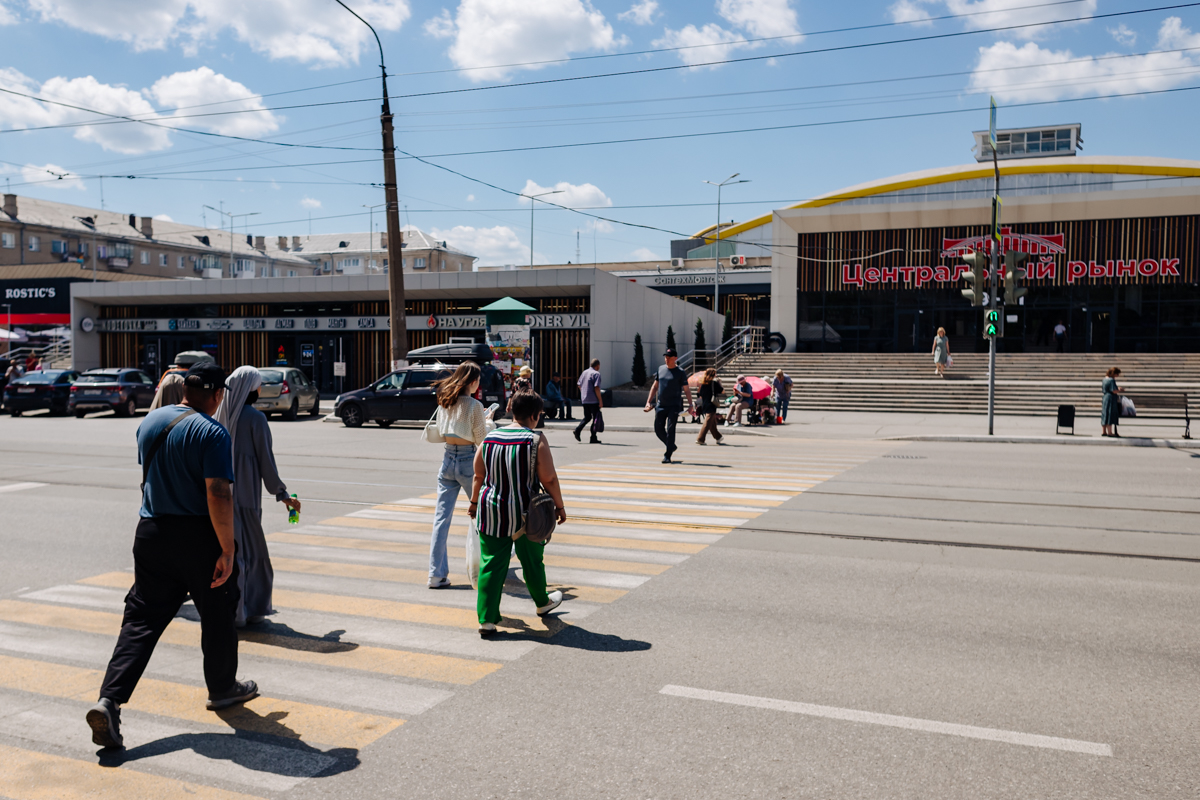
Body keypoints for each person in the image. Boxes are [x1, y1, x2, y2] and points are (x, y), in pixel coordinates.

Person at [85, 363, 256, 750]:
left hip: (151, 532)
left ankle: (109, 701)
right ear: (216, 395)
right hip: (198, 536)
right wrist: (227, 549)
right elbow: (218, 494)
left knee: (142, 619)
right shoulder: (212, 432)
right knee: (217, 611)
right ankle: (223, 688)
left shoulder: (150, 422)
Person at [467, 390, 568, 637]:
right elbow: (549, 478)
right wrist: (560, 506)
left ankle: (487, 620)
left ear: (512, 410)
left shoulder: (490, 438)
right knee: (531, 560)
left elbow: (478, 474)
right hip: (527, 514)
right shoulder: (535, 439)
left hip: (491, 511)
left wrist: (473, 502)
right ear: (534, 415)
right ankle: (542, 603)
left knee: (490, 564)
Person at [215, 366, 298, 625]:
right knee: (251, 556)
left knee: (229, 554)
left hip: (219, 501)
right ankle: (246, 610)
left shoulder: (218, 417)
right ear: (252, 389)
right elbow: (266, 462)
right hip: (246, 500)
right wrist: (283, 495)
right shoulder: (255, 419)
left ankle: (231, 611)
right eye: (259, 385)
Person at [429, 361, 493, 589]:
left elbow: (449, 427)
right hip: (468, 461)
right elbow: (481, 440)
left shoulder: (446, 400)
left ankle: (436, 575)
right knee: (485, 512)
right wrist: (486, 421)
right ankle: (490, 564)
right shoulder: (474, 405)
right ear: (473, 381)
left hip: (447, 461)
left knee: (441, 519)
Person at [643, 348, 696, 463]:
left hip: (674, 406)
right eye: (665, 357)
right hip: (661, 405)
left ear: (675, 358)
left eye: (669, 357)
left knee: (671, 429)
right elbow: (655, 386)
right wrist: (648, 402)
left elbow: (686, 390)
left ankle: (667, 455)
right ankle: (671, 445)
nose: (666, 359)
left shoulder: (680, 372)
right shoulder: (661, 369)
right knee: (658, 429)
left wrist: (690, 405)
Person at [574, 358, 603, 444]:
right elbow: (597, 387)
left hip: (585, 399)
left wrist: (583, 393)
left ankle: (577, 430)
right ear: (597, 366)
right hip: (593, 400)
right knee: (595, 419)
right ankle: (593, 437)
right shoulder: (596, 374)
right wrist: (600, 400)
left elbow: (579, 384)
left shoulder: (584, 372)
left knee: (587, 417)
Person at [695, 368, 725, 445]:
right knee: (707, 423)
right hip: (711, 405)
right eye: (715, 374)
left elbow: (700, 395)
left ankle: (718, 437)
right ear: (713, 375)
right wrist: (719, 383)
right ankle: (700, 439)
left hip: (705, 404)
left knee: (711, 423)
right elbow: (722, 391)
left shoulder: (703, 384)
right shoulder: (714, 383)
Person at [1101, 366, 1124, 438]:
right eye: (1117, 374)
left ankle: (1104, 431)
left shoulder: (1104, 379)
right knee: (1110, 414)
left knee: (1105, 413)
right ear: (1114, 373)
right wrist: (1119, 390)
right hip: (1111, 398)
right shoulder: (1111, 380)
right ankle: (1110, 432)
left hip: (1105, 397)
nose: (1117, 376)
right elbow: (1113, 391)